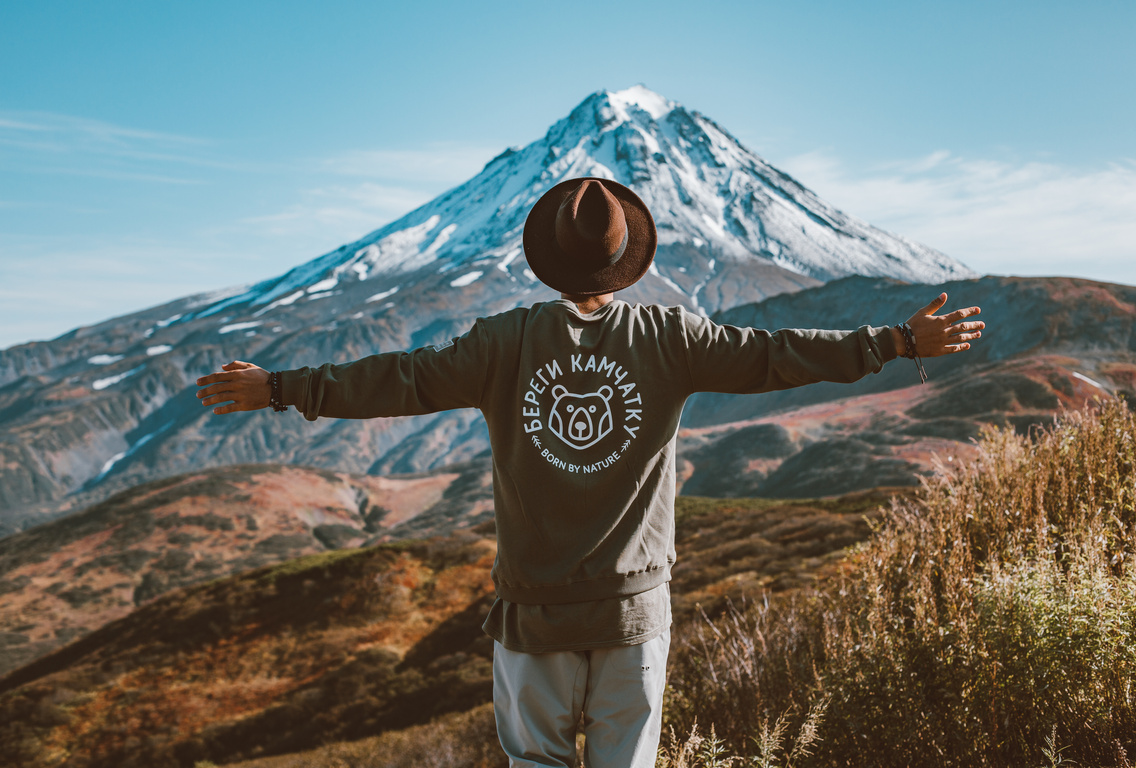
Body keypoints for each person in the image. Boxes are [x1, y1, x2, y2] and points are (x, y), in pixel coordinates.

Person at [196, 177, 984, 768]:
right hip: (634, 613)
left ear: (545, 261)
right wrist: (896, 343)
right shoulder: (670, 337)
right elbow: (778, 357)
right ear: (626, 262)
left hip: (534, 615)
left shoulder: (500, 343)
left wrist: (280, 388)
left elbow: (396, 380)